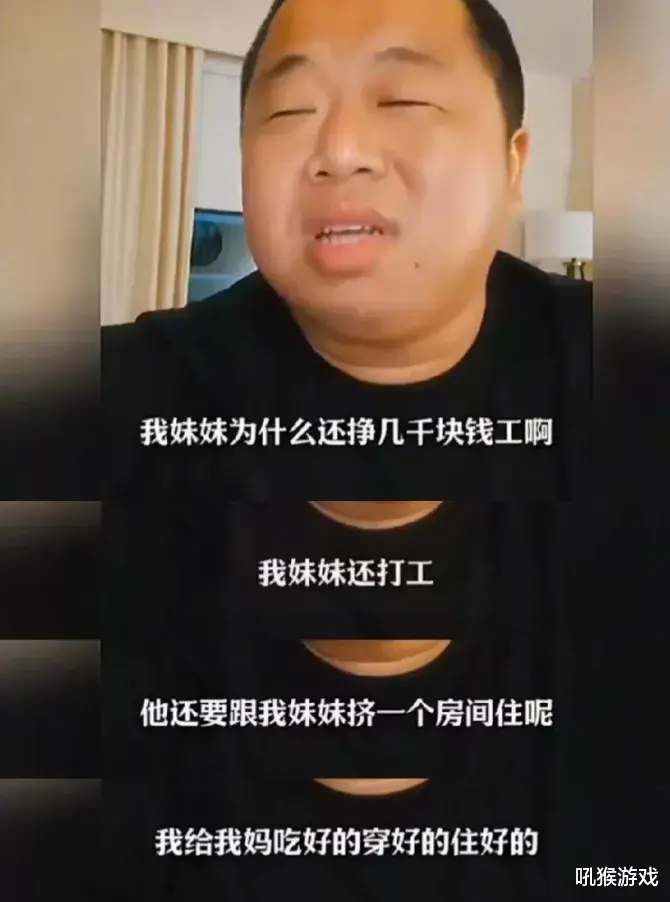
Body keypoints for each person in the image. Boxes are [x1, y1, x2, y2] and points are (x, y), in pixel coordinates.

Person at [102, 0, 591, 500]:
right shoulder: (122, 395)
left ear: (512, 167)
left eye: (404, 101)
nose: (340, 152)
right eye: (290, 109)